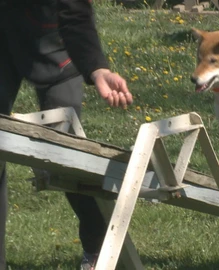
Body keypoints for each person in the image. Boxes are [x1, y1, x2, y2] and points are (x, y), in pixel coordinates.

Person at [0, 1, 133, 269]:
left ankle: (96, 246)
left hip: (56, 48)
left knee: (66, 156)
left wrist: (97, 69)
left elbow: (75, 14)